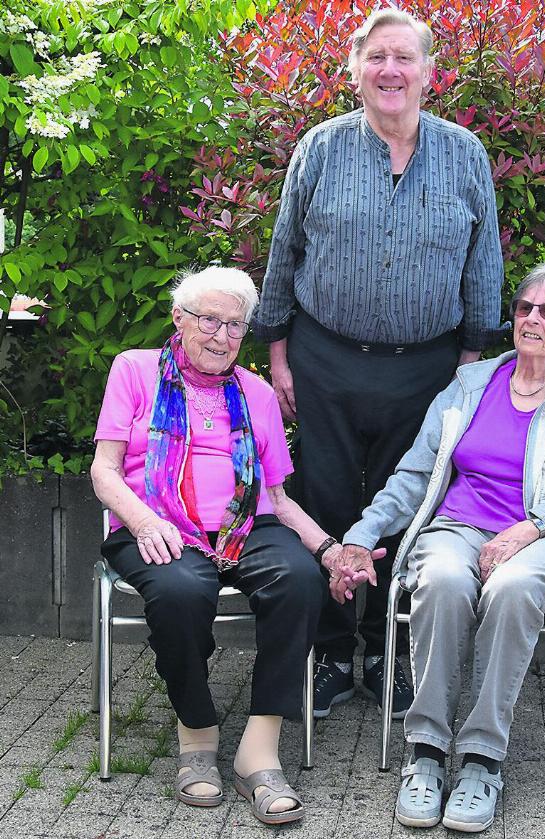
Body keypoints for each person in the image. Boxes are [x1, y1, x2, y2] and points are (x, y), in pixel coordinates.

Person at [252, 7, 504, 719]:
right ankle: (332, 652)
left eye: (404, 57)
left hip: (427, 369)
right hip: (324, 358)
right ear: (355, 69)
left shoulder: (466, 155)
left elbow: (483, 268)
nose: (390, 70)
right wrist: (277, 352)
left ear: (429, 71)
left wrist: (468, 370)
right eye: (376, 58)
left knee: (410, 510)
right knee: (329, 501)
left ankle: (389, 652)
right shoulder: (321, 148)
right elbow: (283, 254)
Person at [337, 262, 545, 832]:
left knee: (514, 587)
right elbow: (416, 474)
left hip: (544, 538)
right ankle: (426, 752)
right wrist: (361, 536)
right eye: (524, 309)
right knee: (441, 579)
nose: (533, 319)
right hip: (459, 527)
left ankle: (483, 759)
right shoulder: (470, 385)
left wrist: (530, 528)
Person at [90, 266, 380, 824]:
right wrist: (142, 520)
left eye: (234, 326)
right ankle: (197, 738)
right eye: (209, 320)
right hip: (155, 524)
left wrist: (330, 551)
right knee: (179, 591)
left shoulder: (255, 392)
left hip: (247, 525)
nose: (222, 336)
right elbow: (104, 472)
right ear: (179, 319)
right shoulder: (135, 369)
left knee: (298, 580)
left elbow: (279, 498)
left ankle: (259, 751)